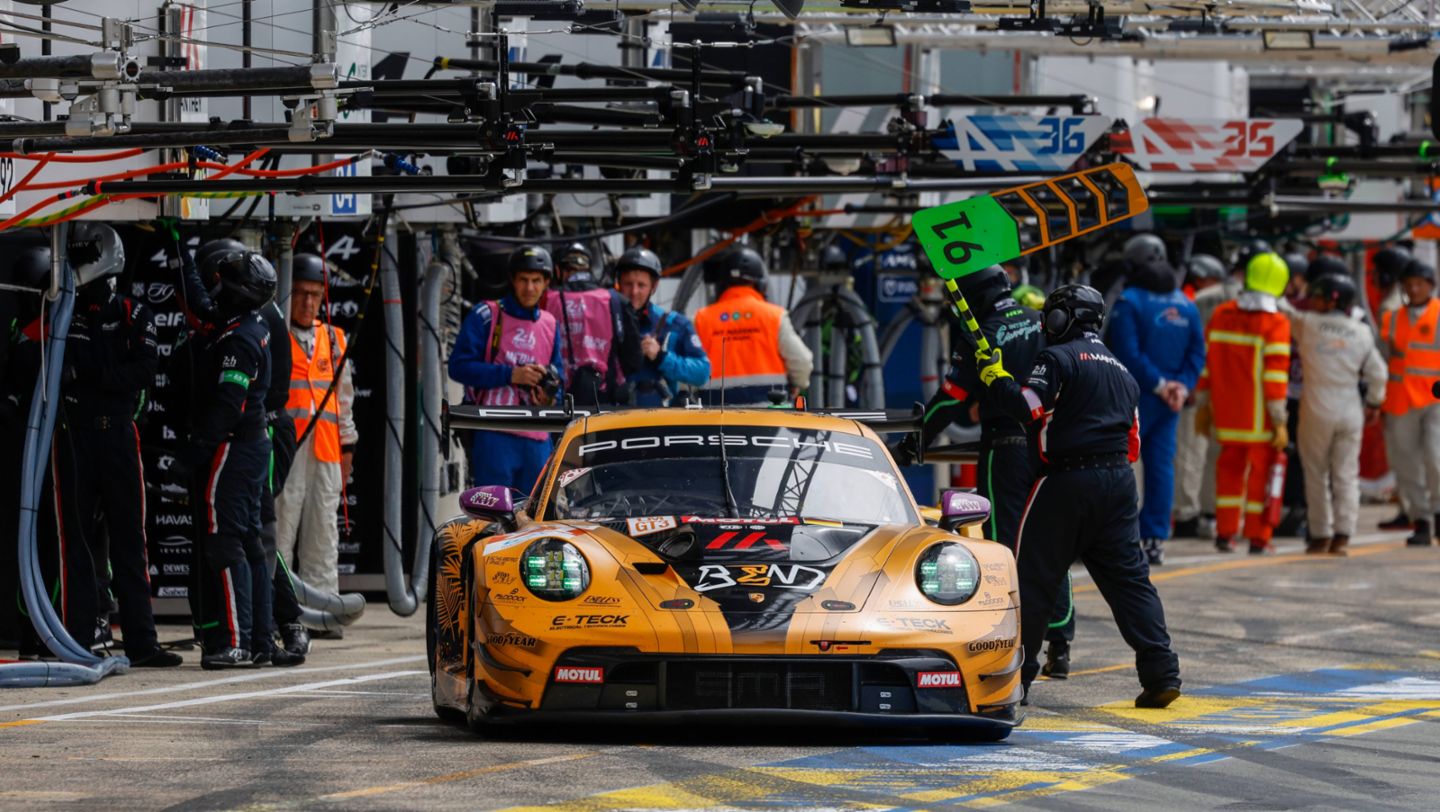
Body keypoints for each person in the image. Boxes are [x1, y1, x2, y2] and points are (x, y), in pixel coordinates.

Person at [976, 284, 1182, 709]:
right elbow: (1134, 443)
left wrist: (997, 381)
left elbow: (1029, 407)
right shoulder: (1122, 371)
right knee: (1130, 582)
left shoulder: (1055, 358)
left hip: (1068, 479)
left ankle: (1017, 680)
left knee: (1033, 580)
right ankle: (1162, 672)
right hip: (1120, 483)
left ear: (1059, 319)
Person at [894, 266, 1076, 676]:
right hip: (1051, 446)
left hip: (1007, 449)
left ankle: (1009, 641)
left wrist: (913, 441)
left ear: (972, 298)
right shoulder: (1041, 321)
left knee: (1003, 549)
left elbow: (952, 399)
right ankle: (1060, 645)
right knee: (1051, 542)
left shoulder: (982, 333)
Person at [47, 224, 179, 667]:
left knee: (130, 543)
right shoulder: (63, 311)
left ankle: (142, 643)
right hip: (77, 437)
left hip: (120, 435)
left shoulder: (132, 313)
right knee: (76, 543)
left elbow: (144, 369)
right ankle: (77, 640)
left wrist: (93, 378)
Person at [173, 247, 278, 669]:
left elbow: (227, 404)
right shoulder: (241, 321)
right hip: (251, 446)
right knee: (250, 541)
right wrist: (180, 249)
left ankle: (236, 640)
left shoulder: (240, 339)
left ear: (239, 290)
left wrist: (195, 452)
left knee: (225, 543)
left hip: (234, 448)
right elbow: (201, 301)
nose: (219, 281)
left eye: (227, 276)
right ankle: (260, 641)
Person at [1106, 252, 1206, 564]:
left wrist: (1160, 385)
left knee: (1118, 466)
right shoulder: (1187, 305)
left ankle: (1117, 537)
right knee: (1162, 469)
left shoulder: (1129, 301)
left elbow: (1125, 350)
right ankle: (1154, 539)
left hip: (1135, 396)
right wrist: (1181, 386)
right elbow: (1197, 352)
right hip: (1171, 401)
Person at [274, 253, 357, 621]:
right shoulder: (276, 335)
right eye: (301, 293)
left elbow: (345, 403)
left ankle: (323, 615)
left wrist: (347, 449)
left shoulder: (335, 340)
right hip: (286, 450)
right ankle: (280, 614)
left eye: (315, 295)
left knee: (324, 535)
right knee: (280, 532)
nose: (308, 303)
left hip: (325, 451)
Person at [1195, 252, 1292, 555]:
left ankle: (1225, 534)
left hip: (1226, 417)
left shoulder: (1222, 314)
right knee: (1260, 481)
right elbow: (1275, 377)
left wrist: (1203, 404)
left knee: (1228, 475)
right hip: (1260, 420)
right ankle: (1258, 538)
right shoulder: (1275, 323)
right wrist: (1279, 420)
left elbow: (1207, 364)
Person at [449, 246, 564, 491]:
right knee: (492, 519)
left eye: (536, 281)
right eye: (523, 280)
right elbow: (458, 368)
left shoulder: (551, 324)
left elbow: (560, 379)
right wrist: (511, 375)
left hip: (537, 438)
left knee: (534, 521)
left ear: (546, 282)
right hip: (493, 432)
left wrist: (549, 395)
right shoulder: (485, 314)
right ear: (512, 279)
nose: (530, 288)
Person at [1291, 269, 1386, 556]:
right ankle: (1343, 534)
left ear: (1332, 301)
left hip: (1316, 408)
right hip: (1350, 408)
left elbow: (1280, 310)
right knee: (1346, 474)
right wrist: (1374, 404)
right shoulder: (1361, 331)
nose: (1312, 302)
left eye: (1317, 297)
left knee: (1316, 474)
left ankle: (1320, 535)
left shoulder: (1307, 324)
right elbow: (1379, 374)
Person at [694, 246, 812, 406]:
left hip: (716, 419)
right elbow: (802, 361)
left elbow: (687, 372)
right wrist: (797, 384)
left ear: (721, 284)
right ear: (761, 285)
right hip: (769, 420)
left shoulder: (702, 318)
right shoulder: (774, 316)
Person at [1380, 259, 1440, 547]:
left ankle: (1439, 514)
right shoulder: (1391, 318)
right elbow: (1381, 359)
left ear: (1431, 285)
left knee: (1436, 459)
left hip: (1435, 400)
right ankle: (1421, 521)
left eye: (1420, 283)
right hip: (1401, 401)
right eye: (1409, 284)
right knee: (1406, 466)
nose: (1414, 289)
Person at [541, 242, 641, 407]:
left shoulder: (546, 300)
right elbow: (633, 361)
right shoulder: (616, 300)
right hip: (604, 402)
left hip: (557, 402)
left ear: (558, 270)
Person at [1172, 253, 1227, 537]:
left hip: (1199, 387)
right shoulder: (1200, 301)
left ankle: (1189, 513)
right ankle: (1192, 514)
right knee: (1199, 455)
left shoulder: (1189, 301)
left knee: (1191, 452)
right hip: (1210, 388)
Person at [613, 247, 710, 406]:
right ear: (618, 283)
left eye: (641, 285)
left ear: (654, 286)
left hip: (661, 421)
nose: (634, 291)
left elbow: (702, 372)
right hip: (615, 420)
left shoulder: (674, 324)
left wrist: (662, 357)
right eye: (628, 284)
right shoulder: (607, 322)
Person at [1371, 246, 1418, 531]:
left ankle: (1412, 510)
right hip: (1418, 392)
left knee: (1404, 454)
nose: (1374, 277)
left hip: (1402, 394)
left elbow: (1384, 356)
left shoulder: (1392, 307)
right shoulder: (1409, 302)